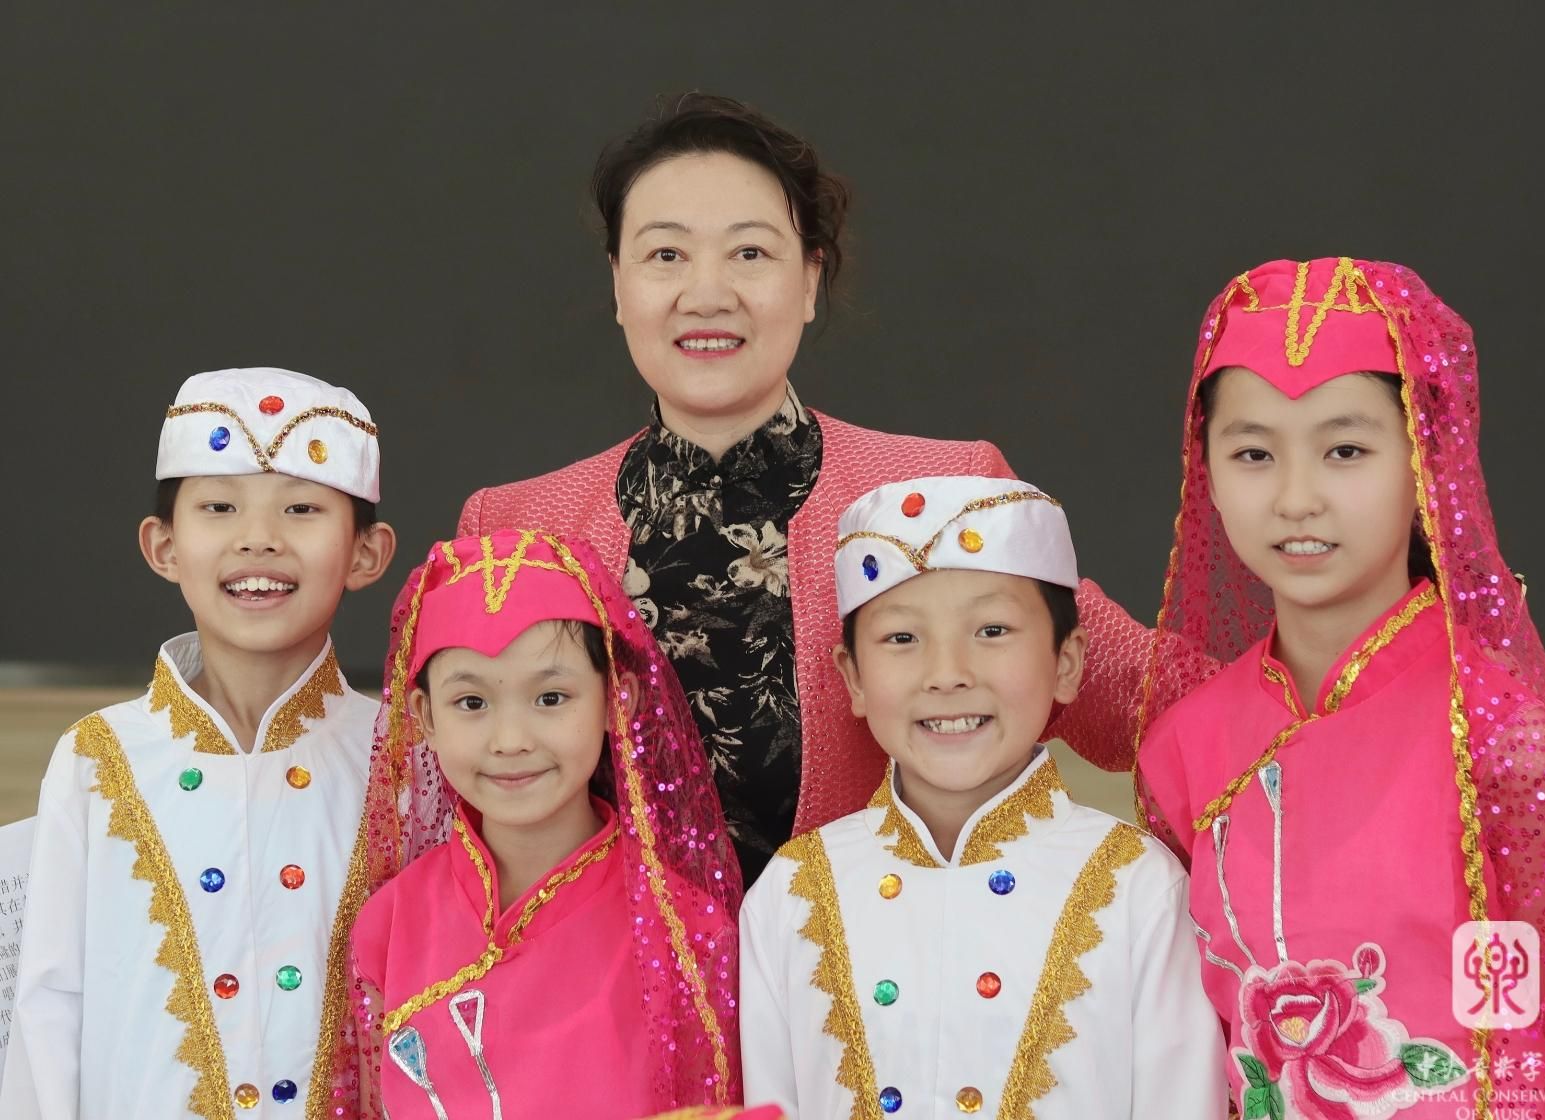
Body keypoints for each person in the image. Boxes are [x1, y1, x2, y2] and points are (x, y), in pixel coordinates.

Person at [458, 93, 1154, 885]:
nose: (707, 292)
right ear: (619, 284)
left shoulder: (944, 493)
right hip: (596, 967)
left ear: (811, 278)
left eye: (750, 252)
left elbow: (1146, 702)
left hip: (880, 957)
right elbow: (449, 811)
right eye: (666, 255)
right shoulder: (513, 528)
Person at [1135, 258, 1545, 1115]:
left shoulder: (1501, 740)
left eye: (1345, 450)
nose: (1296, 499)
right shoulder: (1183, 749)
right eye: (1253, 453)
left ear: (1425, 460)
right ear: (1207, 471)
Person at [739, 475, 1226, 1117]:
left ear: (1067, 662)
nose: (948, 675)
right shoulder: (791, 891)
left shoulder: (1139, 886)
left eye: (992, 630)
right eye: (902, 638)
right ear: (852, 677)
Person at [0, 369, 396, 1118]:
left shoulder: (403, 753)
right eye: (218, 507)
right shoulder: (98, 758)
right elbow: (46, 1011)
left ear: (365, 554)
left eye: (302, 508)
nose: (259, 537)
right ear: (165, 546)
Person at [342, 529, 742, 1118]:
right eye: (471, 703)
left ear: (617, 700)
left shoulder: (686, 934)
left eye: (551, 698)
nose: (510, 741)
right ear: (423, 715)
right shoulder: (390, 924)